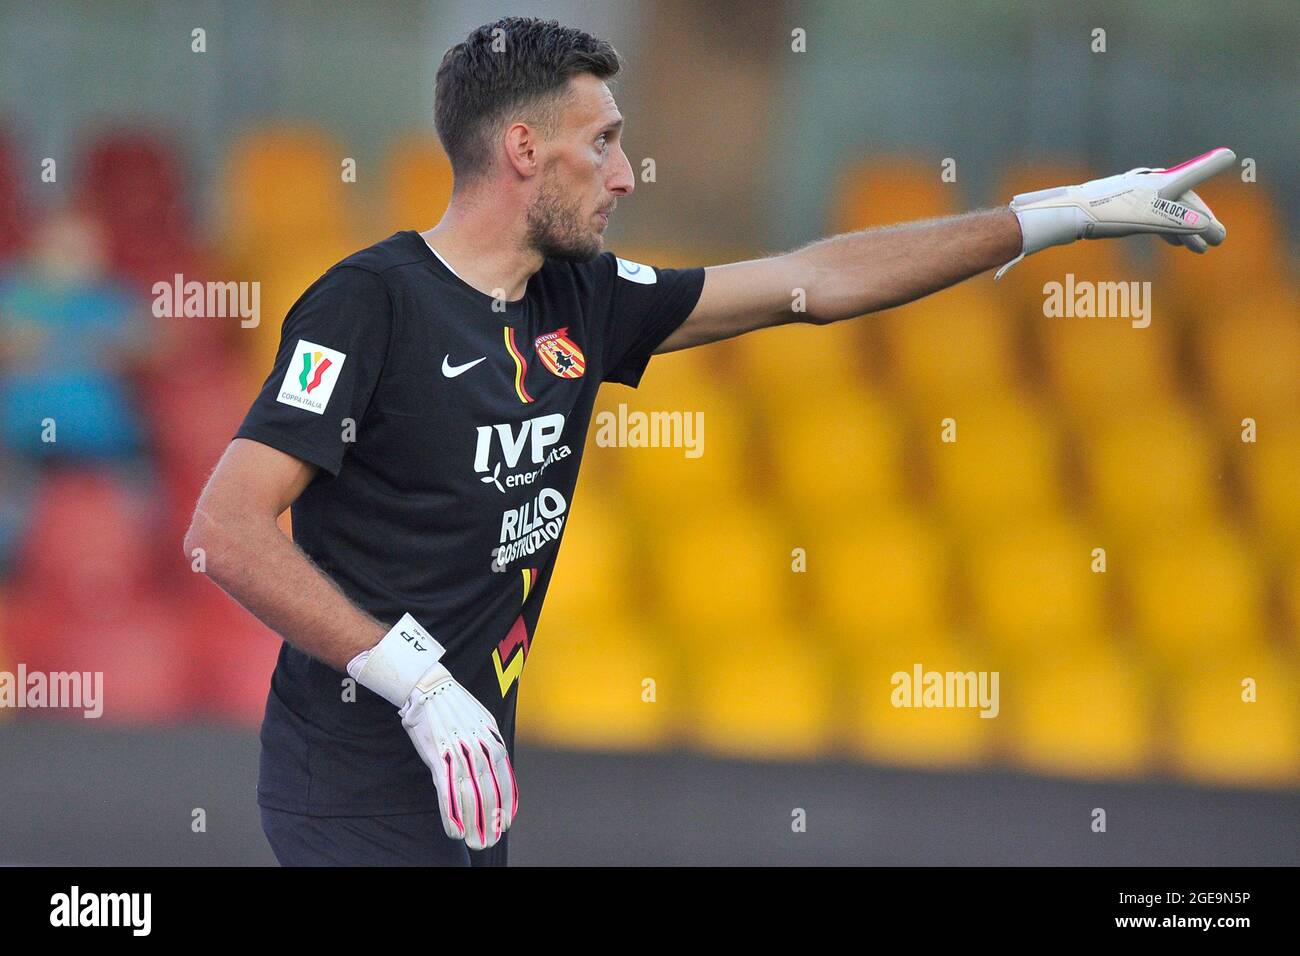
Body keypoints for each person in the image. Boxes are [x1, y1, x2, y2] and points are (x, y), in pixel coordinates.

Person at [184, 16, 1233, 866]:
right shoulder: (369, 303)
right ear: (521, 149)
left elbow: (813, 281)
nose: (627, 172)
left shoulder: (581, 297)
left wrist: (1053, 216)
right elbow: (228, 528)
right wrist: (414, 679)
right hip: (349, 780)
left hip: (470, 777)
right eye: (601, 141)